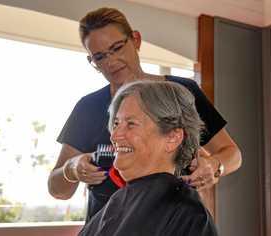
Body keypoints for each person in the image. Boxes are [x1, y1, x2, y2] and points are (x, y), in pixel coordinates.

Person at [48, 7, 242, 221]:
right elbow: (58, 190)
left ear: (136, 40)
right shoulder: (88, 108)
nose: (111, 62)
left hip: (173, 224)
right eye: (100, 56)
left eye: (117, 48)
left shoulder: (182, 92)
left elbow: (232, 154)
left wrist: (215, 165)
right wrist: (72, 169)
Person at [79, 80, 218, 236]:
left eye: (131, 124)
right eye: (116, 123)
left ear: (172, 137)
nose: (114, 135)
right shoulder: (118, 202)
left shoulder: (186, 215)